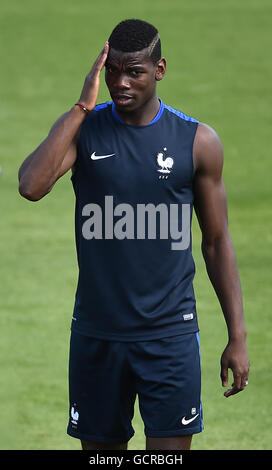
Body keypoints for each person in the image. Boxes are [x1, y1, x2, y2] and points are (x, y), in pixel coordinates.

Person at [18, 19, 250, 451]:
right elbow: (31, 186)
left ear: (159, 70)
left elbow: (216, 242)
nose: (120, 83)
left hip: (170, 337)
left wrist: (237, 336)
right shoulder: (84, 128)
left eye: (135, 72)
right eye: (112, 72)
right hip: (97, 335)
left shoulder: (197, 142)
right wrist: (81, 108)